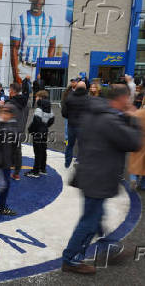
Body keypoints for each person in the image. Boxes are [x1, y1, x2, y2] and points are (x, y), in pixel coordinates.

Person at [62, 84, 142, 274]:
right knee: (89, 221)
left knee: (96, 216)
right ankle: (71, 259)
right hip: (98, 176)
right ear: (121, 99)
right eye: (127, 99)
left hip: (89, 172)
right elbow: (134, 142)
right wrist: (132, 118)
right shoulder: (110, 120)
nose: (129, 102)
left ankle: (109, 248)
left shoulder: (93, 111)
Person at [11, 0, 55, 83]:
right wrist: (16, 74)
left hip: (41, 68)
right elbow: (14, 48)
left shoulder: (49, 20)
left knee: (39, 96)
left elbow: (52, 45)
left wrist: (47, 68)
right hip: (24, 68)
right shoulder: (20, 19)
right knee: (21, 95)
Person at [25, 90, 55, 178]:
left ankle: (35, 171)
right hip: (45, 131)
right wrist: (45, 126)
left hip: (38, 132)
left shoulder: (39, 108)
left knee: (37, 152)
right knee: (43, 150)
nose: (36, 98)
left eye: (37, 97)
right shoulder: (50, 108)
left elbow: (36, 121)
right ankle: (43, 168)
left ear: (41, 98)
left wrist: (30, 129)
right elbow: (52, 120)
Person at [61, 81, 89, 168]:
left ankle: (67, 162)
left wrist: (70, 117)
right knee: (82, 145)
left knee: (70, 145)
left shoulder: (69, 98)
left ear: (76, 87)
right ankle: (79, 161)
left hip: (71, 125)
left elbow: (64, 113)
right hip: (83, 126)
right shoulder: (88, 99)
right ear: (85, 88)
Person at [6, 83, 29, 180]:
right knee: (17, 152)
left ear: (12, 91)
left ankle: (5, 173)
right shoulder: (26, 104)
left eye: (10, 90)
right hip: (20, 130)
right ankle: (16, 173)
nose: (9, 92)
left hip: (9, 131)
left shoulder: (9, 104)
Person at [128, 107, 145, 190]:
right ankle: (143, 185)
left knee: (134, 163)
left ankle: (133, 179)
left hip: (138, 140)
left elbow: (131, 126)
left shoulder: (138, 113)